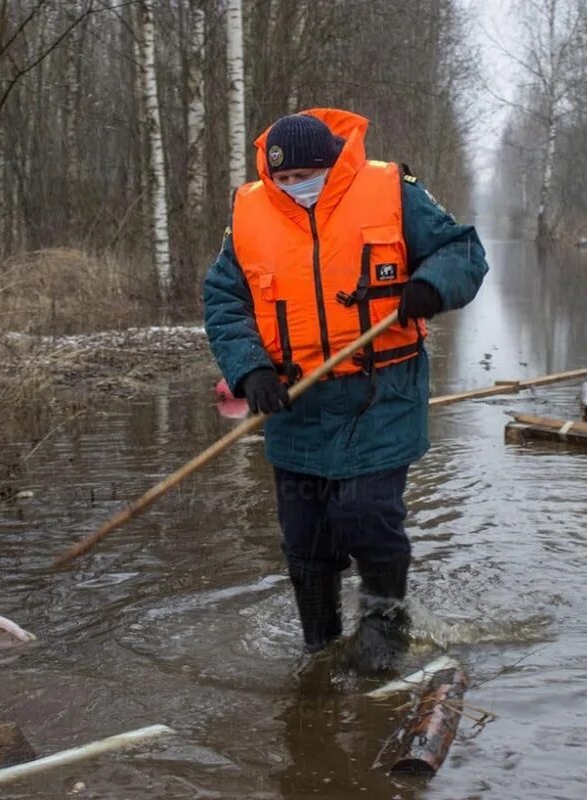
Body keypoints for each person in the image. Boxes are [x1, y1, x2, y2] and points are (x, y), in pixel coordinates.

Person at [202, 108, 488, 673]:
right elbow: (224, 300)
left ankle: (385, 634)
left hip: (381, 395)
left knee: (366, 511)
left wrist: (430, 285)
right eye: (282, 180)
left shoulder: (391, 191)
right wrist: (250, 369)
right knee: (305, 533)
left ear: (330, 165)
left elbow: (463, 252)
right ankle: (319, 645)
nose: (292, 188)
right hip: (296, 404)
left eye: (304, 176)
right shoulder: (250, 213)